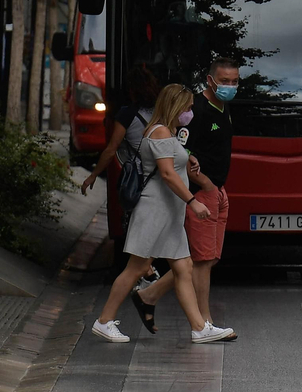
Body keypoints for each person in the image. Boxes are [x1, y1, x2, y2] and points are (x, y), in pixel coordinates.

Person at [92, 84, 233, 344]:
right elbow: (167, 174)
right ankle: (104, 321)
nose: (190, 113)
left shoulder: (167, 132)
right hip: (154, 211)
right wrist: (193, 202)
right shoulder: (159, 132)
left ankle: (199, 328)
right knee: (136, 268)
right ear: (175, 106)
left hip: (169, 214)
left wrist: (188, 160)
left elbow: (172, 161)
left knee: (184, 267)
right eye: (187, 108)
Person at [135, 58, 239, 336]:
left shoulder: (224, 107)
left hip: (218, 190)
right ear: (210, 80)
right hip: (201, 192)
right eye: (224, 81)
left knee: (207, 258)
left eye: (234, 81)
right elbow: (181, 153)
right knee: (201, 261)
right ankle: (205, 323)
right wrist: (205, 186)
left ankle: (149, 295)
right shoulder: (197, 111)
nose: (230, 86)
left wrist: (217, 189)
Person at [80, 64, 158, 197]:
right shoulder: (160, 111)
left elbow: (111, 150)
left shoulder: (126, 114)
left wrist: (93, 175)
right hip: (161, 173)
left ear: (131, 89)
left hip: (141, 176)